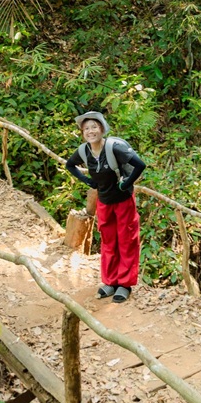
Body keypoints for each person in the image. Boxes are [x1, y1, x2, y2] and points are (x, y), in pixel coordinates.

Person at [66, 111, 146, 303]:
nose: (90, 131)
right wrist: (87, 181)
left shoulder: (114, 147)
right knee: (108, 242)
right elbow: (70, 165)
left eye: (94, 127)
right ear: (82, 132)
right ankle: (110, 282)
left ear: (102, 128)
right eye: (86, 128)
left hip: (123, 202)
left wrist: (127, 184)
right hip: (104, 202)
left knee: (126, 241)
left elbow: (140, 165)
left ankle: (124, 284)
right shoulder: (84, 151)